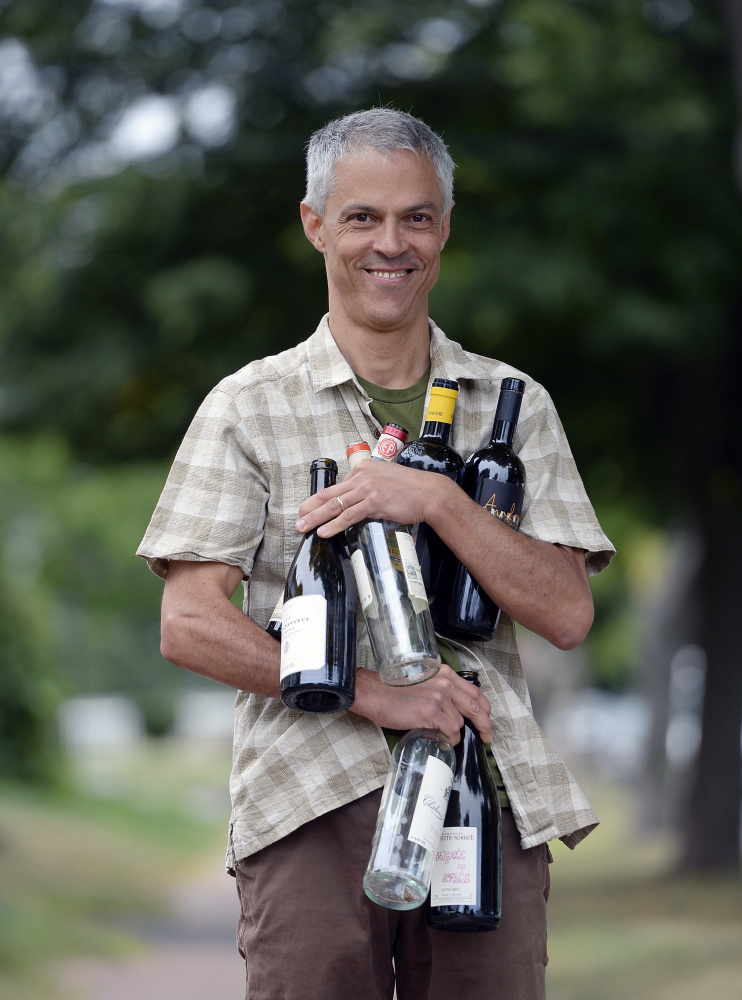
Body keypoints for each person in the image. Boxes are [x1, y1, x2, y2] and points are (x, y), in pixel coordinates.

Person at [137, 107, 614, 1000]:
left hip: (482, 784)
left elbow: (566, 613)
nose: (389, 243)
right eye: (361, 216)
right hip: (312, 796)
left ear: (443, 228)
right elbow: (188, 625)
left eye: (415, 217)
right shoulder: (247, 407)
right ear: (316, 224)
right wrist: (370, 695)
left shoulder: (514, 405)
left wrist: (438, 500)